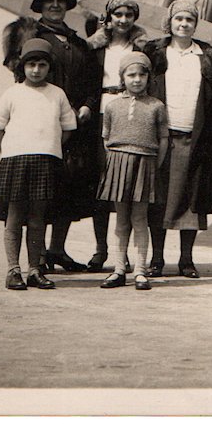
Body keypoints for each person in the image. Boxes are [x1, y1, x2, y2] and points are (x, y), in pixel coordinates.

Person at [1, 0, 101, 273]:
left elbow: (92, 82)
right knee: (41, 191)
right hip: (42, 126)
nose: (55, 5)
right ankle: (39, 254)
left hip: (75, 126)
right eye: (49, 1)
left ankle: (57, 249)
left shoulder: (78, 42)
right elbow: (19, 72)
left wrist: (86, 107)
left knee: (68, 187)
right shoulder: (32, 37)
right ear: (41, 6)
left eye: (60, 0)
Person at [141, 0, 212, 279]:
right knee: (158, 200)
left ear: (195, 23)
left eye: (189, 20)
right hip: (161, 137)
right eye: (178, 19)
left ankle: (186, 260)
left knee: (193, 200)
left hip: (196, 138)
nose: (184, 24)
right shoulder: (155, 52)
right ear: (170, 22)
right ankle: (156, 259)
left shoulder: (206, 55)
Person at [0, 39, 77, 291]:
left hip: (45, 161)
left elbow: (67, 128)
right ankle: (13, 270)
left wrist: (48, 146)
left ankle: (34, 270)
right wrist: (15, 146)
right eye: (31, 64)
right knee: (14, 217)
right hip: (16, 160)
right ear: (22, 66)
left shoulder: (57, 94)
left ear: (49, 67)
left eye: (41, 65)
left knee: (38, 219)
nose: (36, 70)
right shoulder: (13, 93)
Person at [84, 0, 150, 273]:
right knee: (102, 184)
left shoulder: (142, 48)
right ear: (109, 17)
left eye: (128, 15)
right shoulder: (96, 47)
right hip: (100, 115)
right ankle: (102, 249)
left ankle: (134, 258)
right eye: (118, 14)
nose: (123, 20)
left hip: (130, 115)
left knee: (128, 188)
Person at [94, 52, 170, 291]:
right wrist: (113, 165)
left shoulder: (157, 106)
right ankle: (118, 269)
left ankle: (140, 270)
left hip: (145, 163)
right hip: (118, 163)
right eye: (131, 74)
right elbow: (106, 138)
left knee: (140, 218)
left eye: (142, 74)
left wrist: (154, 165)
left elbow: (164, 139)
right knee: (120, 219)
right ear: (122, 77)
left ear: (149, 78)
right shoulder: (113, 106)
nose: (137, 79)